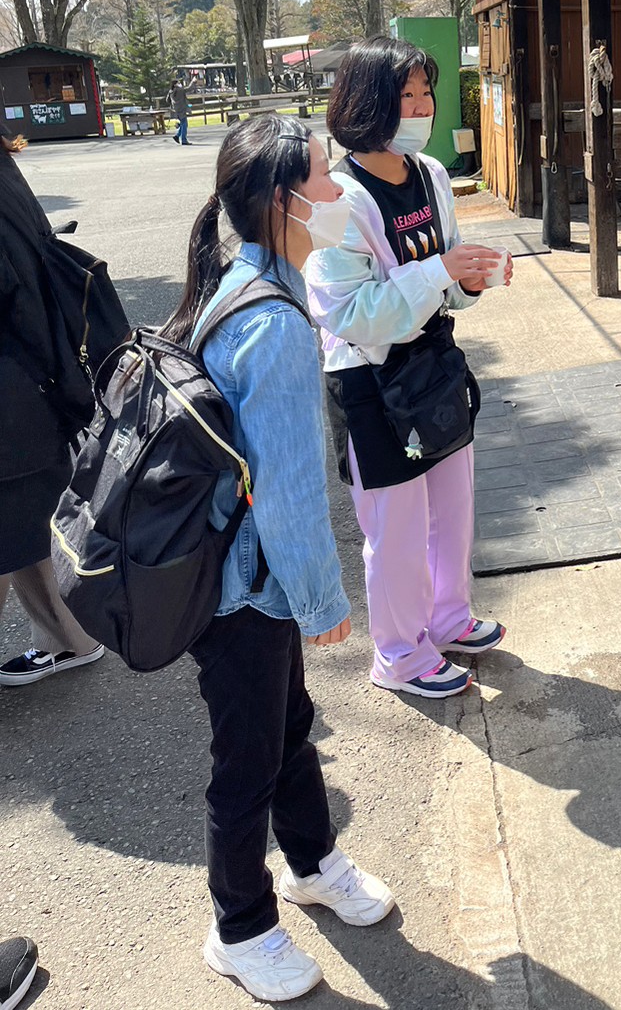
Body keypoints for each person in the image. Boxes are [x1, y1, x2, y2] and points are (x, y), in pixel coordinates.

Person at [161, 114, 394, 1002]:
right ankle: (240, 927)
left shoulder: (247, 280)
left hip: (229, 575)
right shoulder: (278, 324)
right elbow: (287, 492)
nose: (338, 192)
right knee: (247, 760)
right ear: (282, 201)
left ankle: (312, 861)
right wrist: (324, 602)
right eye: (325, 179)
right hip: (243, 591)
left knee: (285, 724)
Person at [306, 38, 509, 701]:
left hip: (432, 364)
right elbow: (350, 313)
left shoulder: (430, 174)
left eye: (426, 94)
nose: (421, 108)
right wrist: (439, 271)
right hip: (369, 382)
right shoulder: (339, 200)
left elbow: (445, 274)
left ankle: (448, 618)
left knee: (451, 505)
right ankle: (398, 652)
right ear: (366, 103)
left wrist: (469, 278)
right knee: (395, 529)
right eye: (406, 96)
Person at [0, 131, 104, 687]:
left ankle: (72, 638)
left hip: (18, 395)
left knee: (21, 522)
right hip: (36, 386)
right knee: (27, 524)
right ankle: (71, 638)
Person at [169, 79, 190, 145]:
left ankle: (177, 136)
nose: (180, 84)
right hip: (181, 109)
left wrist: (173, 103)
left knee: (183, 124)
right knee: (184, 124)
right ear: (175, 84)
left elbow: (167, 100)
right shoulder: (179, 90)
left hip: (176, 109)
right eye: (178, 83)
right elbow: (188, 89)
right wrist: (193, 82)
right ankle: (183, 140)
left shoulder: (171, 91)